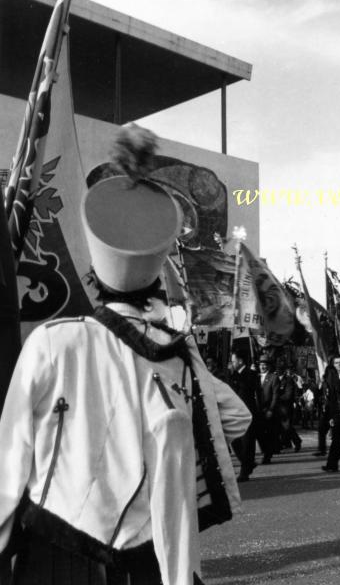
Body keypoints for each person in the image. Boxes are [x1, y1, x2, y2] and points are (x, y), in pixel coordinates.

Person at [0, 167, 252, 585]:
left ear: (96, 280)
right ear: (154, 286)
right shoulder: (177, 355)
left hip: (56, 557)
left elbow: (10, 458)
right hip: (149, 561)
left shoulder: (52, 341)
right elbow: (237, 418)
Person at [230, 352, 268, 482]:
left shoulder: (251, 374)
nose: (232, 363)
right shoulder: (232, 375)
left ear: (240, 361)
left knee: (247, 443)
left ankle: (244, 471)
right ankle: (249, 463)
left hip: (248, 412)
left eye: (233, 361)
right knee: (235, 441)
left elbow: (252, 390)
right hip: (235, 412)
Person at [257, 354, 279, 463]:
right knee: (259, 434)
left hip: (268, 409)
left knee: (269, 433)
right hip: (257, 409)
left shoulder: (273, 377)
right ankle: (265, 451)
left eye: (265, 365)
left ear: (269, 366)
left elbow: (275, 395)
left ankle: (267, 455)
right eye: (261, 365)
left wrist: (271, 409)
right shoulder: (256, 377)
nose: (262, 367)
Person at [277, 366, 303, 452]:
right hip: (276, 406)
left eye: (279, 369)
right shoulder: (274, 378)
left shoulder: (288, 380)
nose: (277, 371)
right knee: (280, 427)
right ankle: (283, 444)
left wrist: (276, 398)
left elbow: (288, 394)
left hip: (285, 407)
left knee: (287, 426)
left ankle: (297, 441)